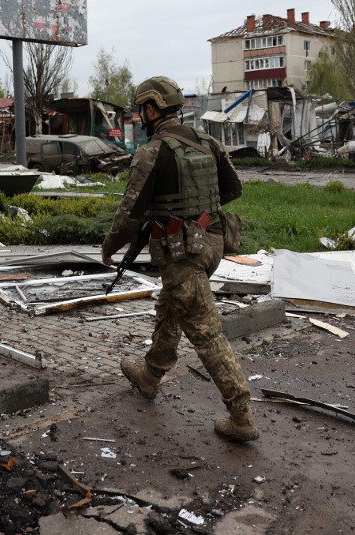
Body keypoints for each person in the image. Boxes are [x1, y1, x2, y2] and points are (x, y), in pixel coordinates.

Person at [101, 75, 258, 443]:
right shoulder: (207, 141)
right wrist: (197, 210)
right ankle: (151, 375)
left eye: (142, 109)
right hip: (214, 240)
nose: (141, 117)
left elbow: (128, 214)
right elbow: (233, 188)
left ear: (153, 109)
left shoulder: (152, 152)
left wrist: (110, 247)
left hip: (181, 252)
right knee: (171, 305)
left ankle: (241, 415)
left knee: (206, 333)